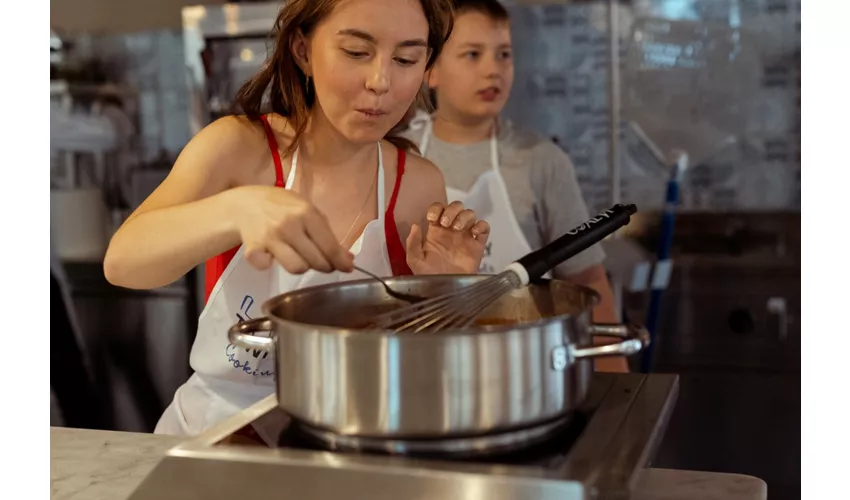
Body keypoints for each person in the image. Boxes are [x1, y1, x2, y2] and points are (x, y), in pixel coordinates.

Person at [103, 0, 490, 439]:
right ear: (303, 51)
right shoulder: (239, 149)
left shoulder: (417, 184)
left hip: (349, 442)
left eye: (405, 59)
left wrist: (450, 297)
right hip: (214, 437)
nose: (381, 81)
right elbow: (123, 263)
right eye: (357, 53)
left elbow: (417, 371)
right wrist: (238, 209)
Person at [400, 0, 627, 372]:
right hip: (424, 366)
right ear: (431, 70)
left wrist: (616, 385)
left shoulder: (541, 160)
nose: (493, 70)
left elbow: (587, 279)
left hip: (530, 367)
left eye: (504, 55)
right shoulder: (399, 157)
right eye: (472, 54)